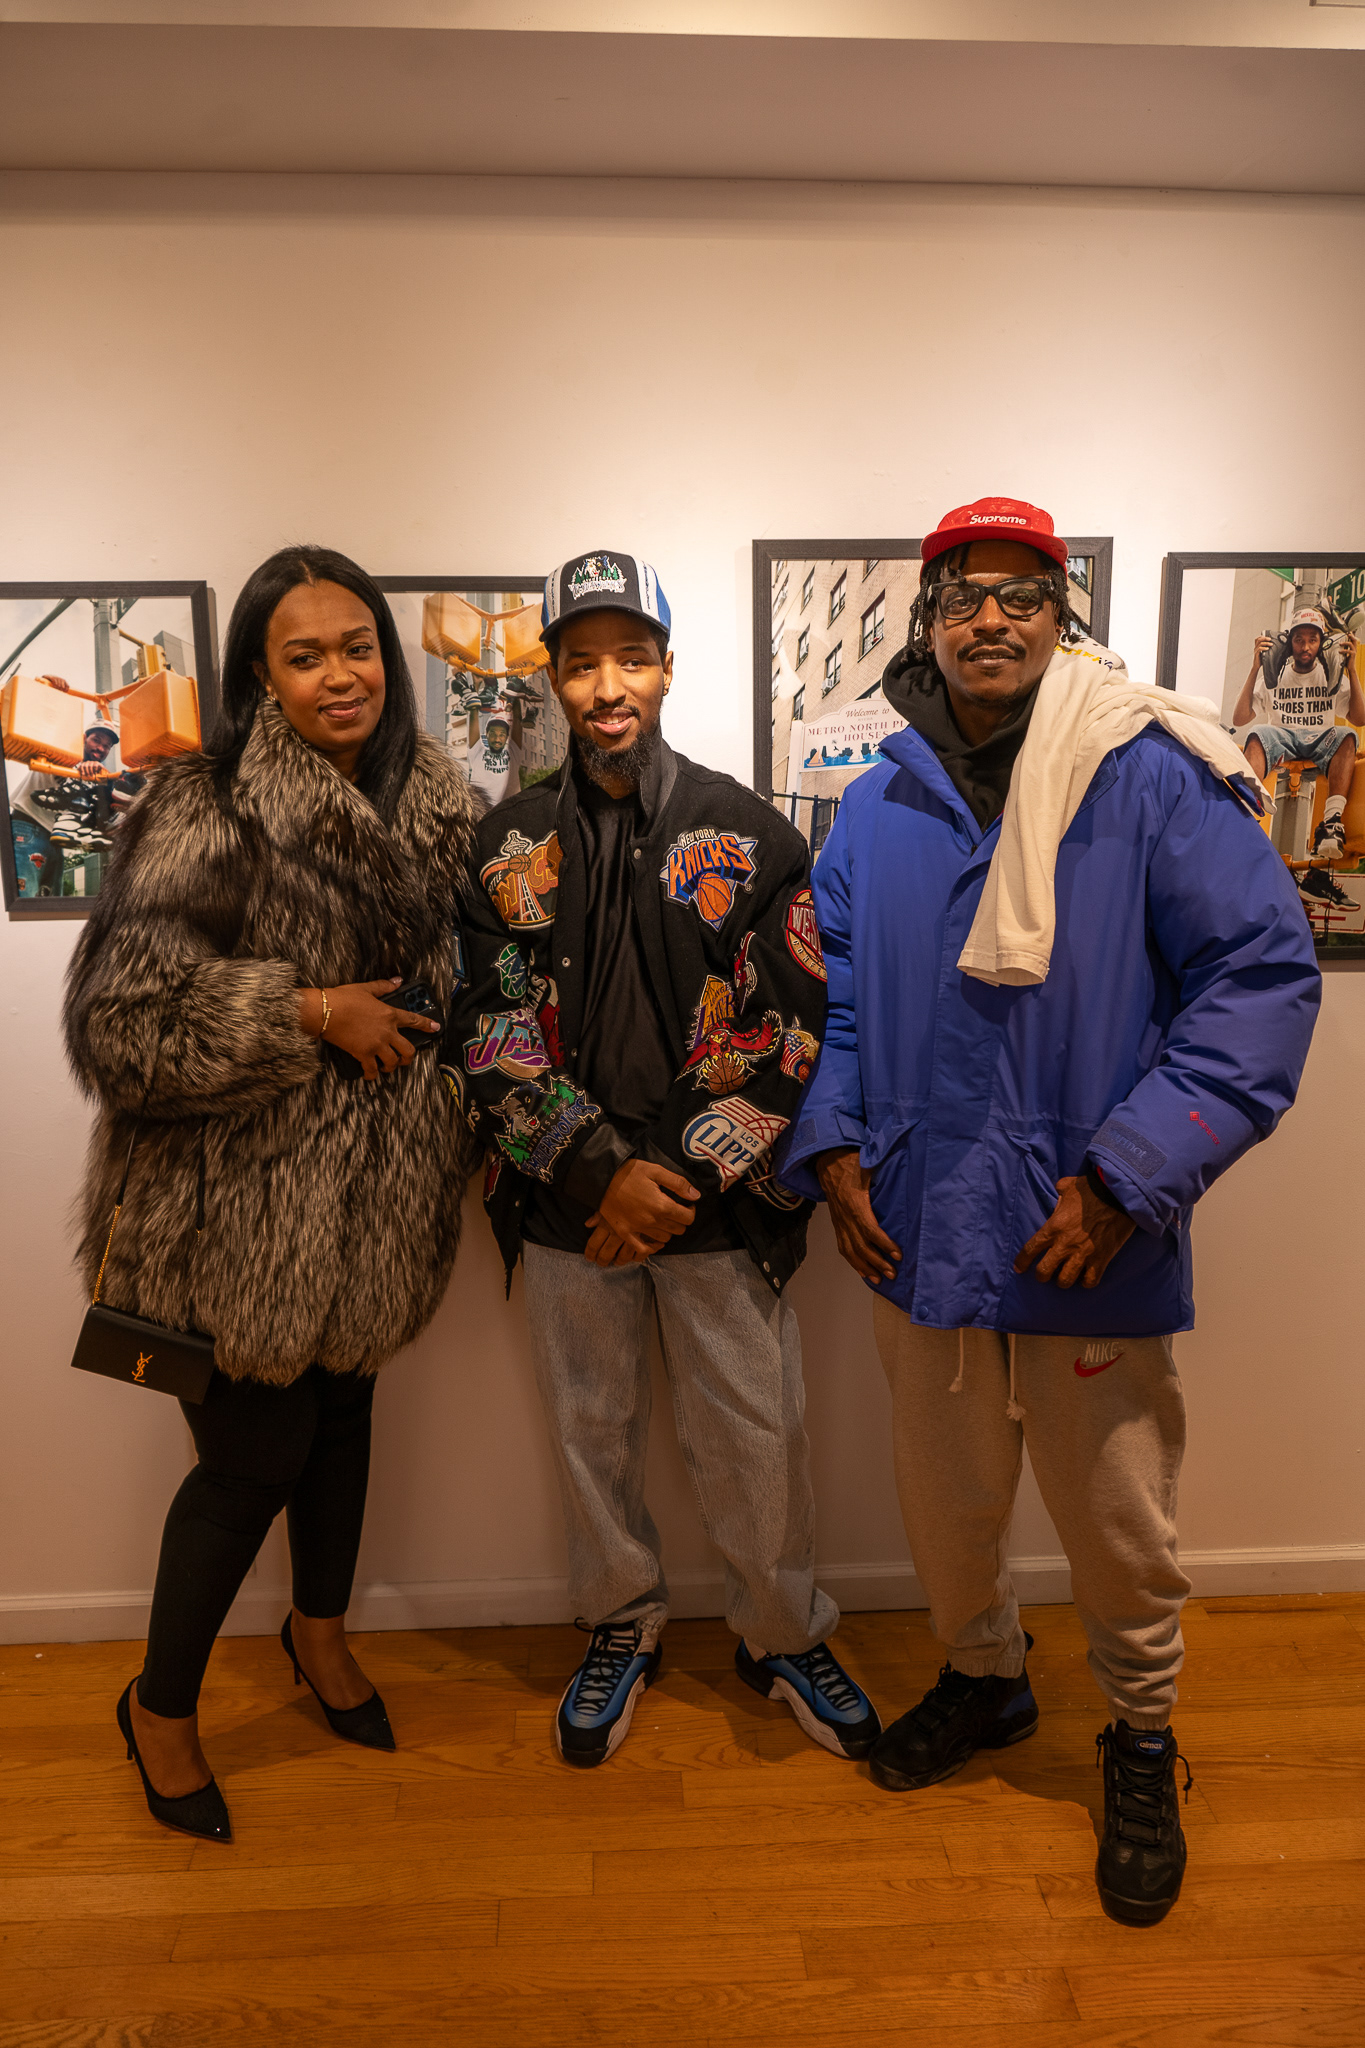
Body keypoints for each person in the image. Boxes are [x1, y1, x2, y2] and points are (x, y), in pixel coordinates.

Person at [782, 497, 1320, 1926]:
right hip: (917, 1227)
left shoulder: (1148, 776)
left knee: (1118, 1519)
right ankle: (984, 1678)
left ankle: (1140, 1734)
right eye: (964, 593)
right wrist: (834, 1149)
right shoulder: (879, 803)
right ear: (929, 618)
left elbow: (1259, 985)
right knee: (947, 1503)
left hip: (1085, 1228)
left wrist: (1131, 1177)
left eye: (1022, 593)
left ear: (1061, 616)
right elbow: (839, 1003)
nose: (991, 617)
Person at [64, 545, 478, 1843]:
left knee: (343, 1424)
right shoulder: (209, 806)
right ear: (261, 674)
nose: (340, 675)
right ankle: (159, 1709)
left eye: (357, 647)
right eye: (305, 656)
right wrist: (305, 1011)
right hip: (237, 1217)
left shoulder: (441, 801)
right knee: (253, 1461)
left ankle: (320, 1636)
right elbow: (118, 1022)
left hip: (382, 1200)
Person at [448, 548, 879, 1769]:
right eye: (582, 662)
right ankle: (621, 1620)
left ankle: (781, 1630)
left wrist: (665, 1179)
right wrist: (599, 1174)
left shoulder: (751, 833)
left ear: (668, 669)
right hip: (567, 1204)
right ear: (553, 679)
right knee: (591, 1431)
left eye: (630, 658)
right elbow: (488, 1023)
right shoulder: (504, 842)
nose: (607, 686)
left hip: (718, 1204)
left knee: (758, 1434)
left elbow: (786, 1023)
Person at [1232, 606, 1364, 913]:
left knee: (1348, 735)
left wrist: (1353, 670)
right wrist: (1254, 668)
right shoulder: (1274, 673)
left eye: (1312, 640)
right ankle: (1245, 814)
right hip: (1282, 737)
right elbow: (1240, 718)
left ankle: (1331, 823)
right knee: (1258, 731)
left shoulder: (1331, 672)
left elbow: (1359, 718)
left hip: (1320, 739)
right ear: (1289, 642)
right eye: (1299, 639)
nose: (1306, 647)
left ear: (1321, 643)